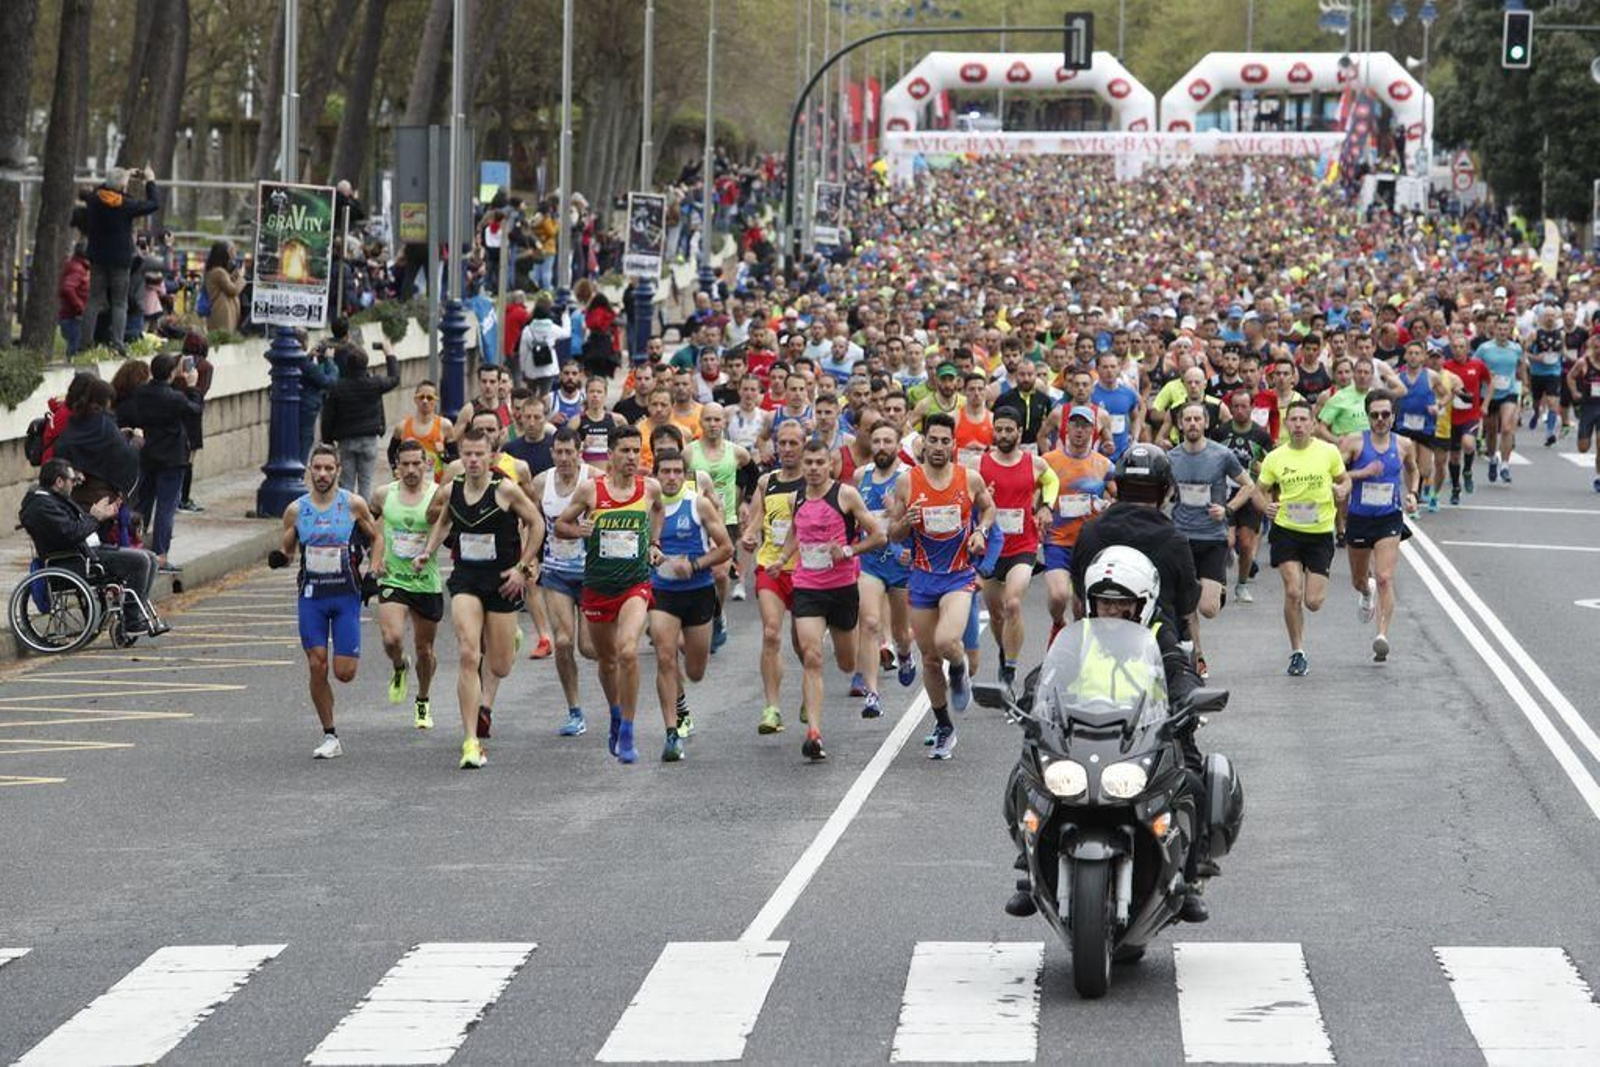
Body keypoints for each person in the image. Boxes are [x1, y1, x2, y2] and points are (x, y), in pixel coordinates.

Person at [1003, 546, 1207, 923]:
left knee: (1192, 783)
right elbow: (1050, 669)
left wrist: (1188, 697)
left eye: (1121, 604)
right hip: (1081, 733)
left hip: (1146, 734)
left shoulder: (1159, 635)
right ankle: (1028, 862)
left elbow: (1179, 670)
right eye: (1103, 603)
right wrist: (1031, 698)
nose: (1111, 612)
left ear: (1142, 603)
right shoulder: (1079, 636)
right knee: (1024, 777)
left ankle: (1189, 879)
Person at [416, 428, 545, 769]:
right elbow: (443, 521)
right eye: (467, 454)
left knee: (499, 664)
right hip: (467, 580)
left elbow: (537, 523)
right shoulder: (453, 489)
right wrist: (427, 552)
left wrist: (522, 566)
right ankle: (470, 741)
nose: (473, 461)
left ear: (490, 456)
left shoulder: (504, 490)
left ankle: (510, 639)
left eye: (479, 454)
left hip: (502, 581)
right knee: (469, 654)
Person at [553, 424, 666, 765]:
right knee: (607, 661)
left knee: (628, 650)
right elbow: (560, 525)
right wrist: (578, 529)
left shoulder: (650, 487)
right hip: (598, 586)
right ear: (611, 454)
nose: (632, 457)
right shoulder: (591, 490)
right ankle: (615, 714)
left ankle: (629, 730)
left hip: (635, 584)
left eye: (636, 450)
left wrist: (655, 543)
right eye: (625, 451)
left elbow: (658, 509)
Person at [889, 412, 995, 761]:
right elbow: (893, 534)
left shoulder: (970, 479)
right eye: (931, 440)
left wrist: (980, 531)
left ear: (954, 444)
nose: (937, 447)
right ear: (923, 443)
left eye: (944, 441)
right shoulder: (908, 482)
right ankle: (944, 726)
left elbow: (989, 511)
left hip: (958, 576)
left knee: (946, 641)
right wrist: (906, 522)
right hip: (921, 578)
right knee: (931, 661)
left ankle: (961, 669)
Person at [772, 438, 884, 761]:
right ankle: (814, 734)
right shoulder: (797, 497)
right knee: (812, 656)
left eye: (819, 463)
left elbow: (879, 535)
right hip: (807, 586)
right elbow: (795, 531)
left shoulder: (845, 495)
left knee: (847, 662)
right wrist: (783, 557)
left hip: (842, 587)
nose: (813, 469)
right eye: (808, 463)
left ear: (830, 465)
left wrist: (847, 551)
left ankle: (864, 671)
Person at [270, 446, 384, 760]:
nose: (322, 475)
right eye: (316, 468)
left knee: (344, 672)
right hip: (312, 597)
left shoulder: (353, 505)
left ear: (337, 471)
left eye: (328, 469)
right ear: (309, 470)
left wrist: (373, 572)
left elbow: (376, 538)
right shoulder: (296, 510)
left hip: (346, 595)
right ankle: (330, 734)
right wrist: (280, 558)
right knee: (316, 664)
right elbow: (288, 549)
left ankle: (332, 725)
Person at [1252, 401, 1351, 677]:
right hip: (1286, 531)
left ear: (1312, 424)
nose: (1297, 424)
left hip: (1319, 534)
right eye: (1292, 419)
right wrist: (1265, 506)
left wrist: (1342, 489)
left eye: (1302, 419)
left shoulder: (1328, 452)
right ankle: (1297, 652)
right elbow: (1258, 491)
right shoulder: (1275, 457)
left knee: (1313, 602)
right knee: (1293, 591)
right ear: (1286, 424)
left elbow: (1345, 480)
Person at [648, 448, 734, 761]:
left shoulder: (697, 504)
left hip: (698, 590)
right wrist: (649, 552)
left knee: (695, 671)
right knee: (664, 656)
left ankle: (682, 699)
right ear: (656, 475)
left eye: (676, 472)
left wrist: (695, 565)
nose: (670, 477)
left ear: (685, 476)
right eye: (664, 471)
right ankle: (672, 732)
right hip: (661, 591)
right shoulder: (647, 506)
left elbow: (726, 548)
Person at [19, 458, 165, 638]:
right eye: (73, 480)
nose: (75, 484)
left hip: (85, 551)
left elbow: (79, 529)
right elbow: (71, 533)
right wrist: (95, 518)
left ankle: (134, 616)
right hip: (72, 560)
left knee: (149, 557)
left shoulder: (55, 500)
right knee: (140, 561)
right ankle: (132, 619)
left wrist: (104, 517)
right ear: (59, 482)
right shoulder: (42, 506)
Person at [1167, 401, 1254, 678]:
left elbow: (1248, 485)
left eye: (1197, 419)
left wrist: (1228, 509)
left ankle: (1219, 591)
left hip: (1213, 539)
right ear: (1180, 425)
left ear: (1206, 424)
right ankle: (1198, 657)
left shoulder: (1222, 455)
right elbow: (1162, 491)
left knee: (1208, 609)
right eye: (1187, 419)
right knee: (1186, 604)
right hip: (1182, 538)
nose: (1192, 424)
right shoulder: (1171, 457)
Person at [978, 408, 1058, 690]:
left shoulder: (1033, 463)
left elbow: (1052, 481)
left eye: (1008, 430)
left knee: (1012, 603)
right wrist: (981, 500)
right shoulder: (981, 464)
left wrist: (1047, 505)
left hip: (1023, 546)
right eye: (998, 430)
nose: (1002, 435)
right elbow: (968, 497)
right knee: (997, 613)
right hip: (990, 550)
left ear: (1019, 433)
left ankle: (1011, 665)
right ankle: (1004, 651)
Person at [1340, 391, 1419, 663]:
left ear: (1393, 416)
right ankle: (1365, 591)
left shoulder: (1404, 444)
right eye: (1375, 415)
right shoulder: (1353, 442)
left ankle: (1381, 636)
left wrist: (1413, 493)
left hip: (1389, 518)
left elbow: (1413, 470)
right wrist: (1362, 473)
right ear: (1368, 416)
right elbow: (1335, 475)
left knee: (1385, 577)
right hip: (1360, 519)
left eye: (1385, 414)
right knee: (1359, 580)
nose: (1380, 419)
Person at [370, 440, 443, 730]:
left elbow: (449, 524)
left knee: (424, 649)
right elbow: (371, 524)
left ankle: (423, 699)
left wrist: (428, 552)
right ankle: (399, 665)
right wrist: (375, 559)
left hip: (425, 581)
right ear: (396, 467)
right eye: (405, 464)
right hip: (394, 578)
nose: (411, 470)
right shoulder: (383, 494)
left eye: (417, 464)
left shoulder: (438, 495)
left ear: (427, 464)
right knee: (391, 638)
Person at [741, 420, 807, 735]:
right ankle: (772, 708)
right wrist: (749, 536)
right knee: (770, 633)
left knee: (803, 643)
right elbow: (756, 518)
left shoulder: (814, 481)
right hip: (771, 566)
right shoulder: (768, 481)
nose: (788, 448)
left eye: (795, 443)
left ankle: (811, 689)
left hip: (807, 571)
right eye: (783, 443)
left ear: (805, 446)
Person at [530, 428, 595, 737]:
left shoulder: (593, 480)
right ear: (552, 452)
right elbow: (528, 521)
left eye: (570, 452)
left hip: (592, 574)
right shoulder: (541, 483)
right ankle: (575, 711)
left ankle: (620, 675)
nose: (565, 458)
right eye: (559, 452)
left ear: (579, 452)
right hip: (556, 573)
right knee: (564, 643)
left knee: (591, 648)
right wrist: (527, 557)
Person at [854, 422, 918, 715]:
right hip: (870, 563)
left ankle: (904, 653)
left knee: (902, 632)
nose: (881, 446)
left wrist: (898, 516)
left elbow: (920, 521)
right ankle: (872, 694)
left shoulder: (909, 477)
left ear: (897, 445)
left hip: (900, 563)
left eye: (887, 441)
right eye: (877, 441)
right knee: (868, 623)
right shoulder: (860, 476)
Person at [118, 353, 202, 571]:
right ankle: (160, 554)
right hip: (172, 458)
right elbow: (194, 410)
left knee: (143, 504)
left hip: (148, 454)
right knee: (166, 508)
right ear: (172, 373)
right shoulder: (173, 397)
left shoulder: (141, 394)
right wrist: (193, 387)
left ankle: (135, 548)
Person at [1041, 405, 1116, 643]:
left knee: (1081, 607)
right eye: (1074, 425)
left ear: (1094, 431)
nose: (1079, 431)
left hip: (1089, 543)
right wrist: (1039, 511)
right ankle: (1056, 624)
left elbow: (1116, 497)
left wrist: (1107, 505)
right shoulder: (1048, 461)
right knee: (1058, 596)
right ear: (1066, 428)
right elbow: (1031, 493)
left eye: (1085, 426)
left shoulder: (1104, 465)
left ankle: (1078, 647)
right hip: (1057, 541)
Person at [685, 401, 751, 649]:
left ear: (724, 422)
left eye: (717, 420)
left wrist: (744, 500)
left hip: (727, 520)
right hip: (697, 520)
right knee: (702, 572)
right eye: (708, 420)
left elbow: (750, 472)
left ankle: (717, 614)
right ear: (700, 422)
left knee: (721, 573)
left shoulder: (736, 452)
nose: (713, 425)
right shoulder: (689, 453)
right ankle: (698, 619)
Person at [79, 167, 160, 351]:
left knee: (93, 300)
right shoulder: (125, 205)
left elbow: (100, 190)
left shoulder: (94, 199)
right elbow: (153, 204)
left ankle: (84, 344)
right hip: (120, 261)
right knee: (119, 302)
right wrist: (150, 181)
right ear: (123, 186)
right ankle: (118, 343)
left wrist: (120, 178)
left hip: (98, 258)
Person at [1209, 390, 1274, 603]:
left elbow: (1272, 466)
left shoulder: (1261, 435)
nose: (1239, 410)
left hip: (1249, 494)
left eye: (1244, 406)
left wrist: (1261, 467)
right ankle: (1220, 583)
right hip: (1225, 493)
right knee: (1226, 541)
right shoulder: (1221, 432)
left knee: (1245, 544)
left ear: (1252, 407)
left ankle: (1242, 585)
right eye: (1235, 406)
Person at [319, 341, 401, 499]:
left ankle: (347, 516)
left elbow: (328, 416)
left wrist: (327, 440)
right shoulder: (374, 383)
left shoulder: (338, 387)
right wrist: (389, 353)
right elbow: (394, 378)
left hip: (346, 440)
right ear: (366, 365)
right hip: (369, 438)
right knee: (366, 482)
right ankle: (363, 516)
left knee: (346, 482)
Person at [1475, 315, 1526, 486]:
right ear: (1494, 330)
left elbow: (1521, 365)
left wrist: (1524, 385)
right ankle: (1492, 459)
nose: (1503, 332)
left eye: (1506, 330)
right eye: (1500, 329)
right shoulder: (1484, 349)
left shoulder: (1516, 348)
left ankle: (1505, 465)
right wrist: (1485, 377)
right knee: (1490, 431)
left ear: (1510, 331)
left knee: (1506, 428)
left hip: (1509, 392)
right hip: (1488, 394)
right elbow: (1475, 368)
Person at [177, 333, 214, 513]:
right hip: (192, 414)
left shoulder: (176, 361)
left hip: (174, 411)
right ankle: (183, 498)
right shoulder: (205, 366)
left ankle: (176, 497)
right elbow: (202, 390)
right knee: (189, 458)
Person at [389, 381, 452, 483]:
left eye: (430, 398)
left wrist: (443, 454)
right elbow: (391, 452)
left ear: (436, 401)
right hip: (408, 484)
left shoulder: (445, 426)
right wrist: (395, 468)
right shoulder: (402, 427)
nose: (425, 401)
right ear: (415, 399)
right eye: (421, 397)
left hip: (435, 486)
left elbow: (455, 458)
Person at [1568, 334, 1600, 492]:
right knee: (1583, 447)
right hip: (1588, 407)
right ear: (1592, 348)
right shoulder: (1583, 363)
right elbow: (1570, 377)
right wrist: (1574, 392)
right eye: (1597, 348)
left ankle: (1598, 477)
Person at [202, 240, 246, 333]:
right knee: (224, 341)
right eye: (231, 251)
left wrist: (235, 276)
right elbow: (232, 290)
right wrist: (241, 278)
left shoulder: (218, 271)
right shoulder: (219, 272)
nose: (233, 254)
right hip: (222, 314)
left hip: (224, 314)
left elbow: (227, 282)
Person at [57, 242, 90, 355]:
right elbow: (67, 288)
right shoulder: (78, 269)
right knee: (75, 349)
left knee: (74, 347)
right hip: (73, 317)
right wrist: (79, 307)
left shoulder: (78, 267)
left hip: (71, 316)